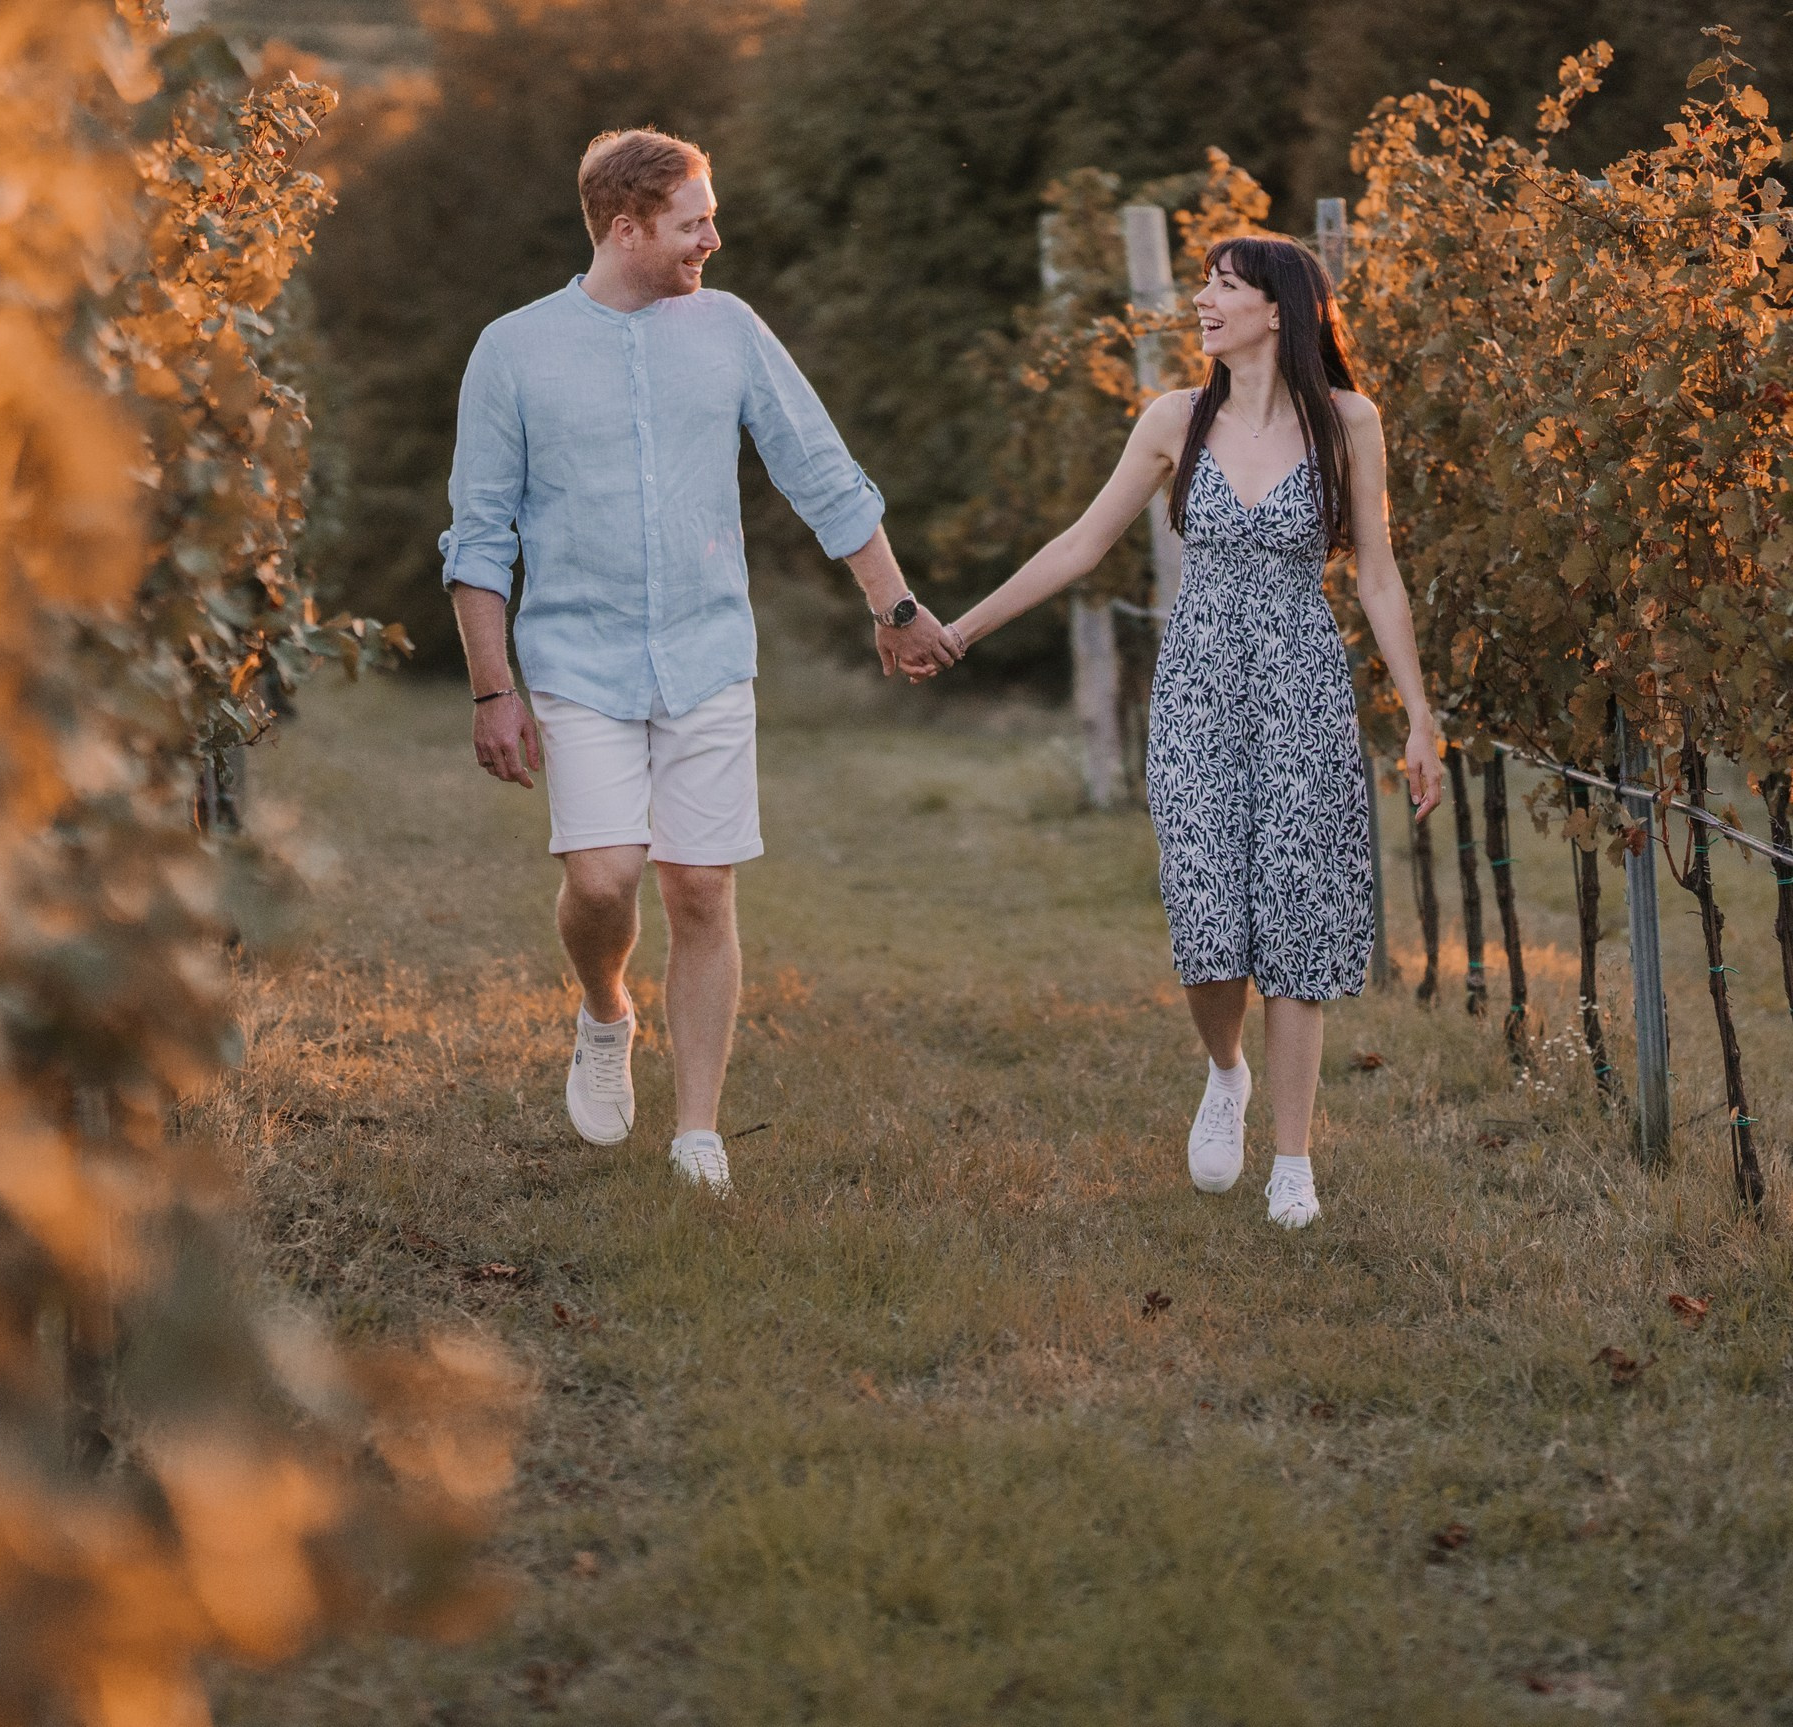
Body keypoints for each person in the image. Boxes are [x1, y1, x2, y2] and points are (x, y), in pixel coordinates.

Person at [439, 128, 955, 1194]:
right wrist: (494, 688)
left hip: (709, 653)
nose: (712, 238)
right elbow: (479, 535)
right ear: (625, 230)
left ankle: (697, 1133)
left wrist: (894, 603)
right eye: (692, 223)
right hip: (575, 659)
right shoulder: (514, 350)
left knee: (702, 891)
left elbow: (820, 470)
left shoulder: (727, 330)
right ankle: (603, 1010)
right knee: (602, 878)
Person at [937, 234, 1443, 1229]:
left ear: (1277, 310)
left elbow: (1376, 574)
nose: (1201, 300)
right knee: (1209, 927)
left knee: (1297, 919)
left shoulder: (1350, 421)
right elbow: (1082, 544)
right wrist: (958, 629)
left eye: (1223, 286)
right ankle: (1225, 1071)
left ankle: (1292, 1164)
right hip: (1198, 692)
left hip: (1301, 686)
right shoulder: (1173, 418)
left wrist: (1420, 716)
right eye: (1204, 283)